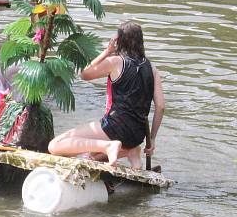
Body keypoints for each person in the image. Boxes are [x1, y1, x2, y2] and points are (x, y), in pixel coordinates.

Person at [48, 22, 165, 168]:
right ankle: (131, 151)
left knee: (55, 146)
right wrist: (152, 139)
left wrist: (106, 52)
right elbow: (160, 106)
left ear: (119, 41)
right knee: (91, 156)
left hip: (116, 127)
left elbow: (84, 74)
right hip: (138, 134)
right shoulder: (152, 68)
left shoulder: (115, 62)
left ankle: (109, 146)